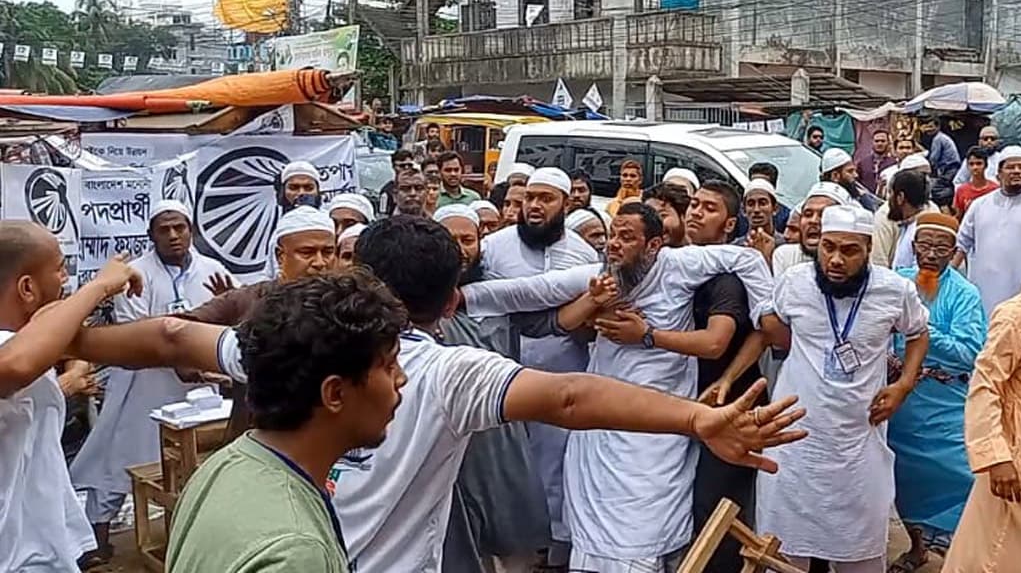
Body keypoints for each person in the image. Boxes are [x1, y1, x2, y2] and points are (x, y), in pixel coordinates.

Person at [64, 216, 805, 573]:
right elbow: (572, 397)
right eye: (387, 373)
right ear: (450, 302)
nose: (399, 383)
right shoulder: (444, 374)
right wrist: (699, 416)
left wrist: (56, 335)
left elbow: (169, 339)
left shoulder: (273, 358)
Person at [459, 203, 781, 573]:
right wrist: (462, 299)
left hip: (659, 424)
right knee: (593, 525)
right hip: (600, 424)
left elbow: (747, 260)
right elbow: (531, 291)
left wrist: (764, 310)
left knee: (644, 520)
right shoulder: (603, 277)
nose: (614, 244)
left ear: (654, 244)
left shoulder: (681, 264)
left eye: (627, 237)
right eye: (612, 234)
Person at [167, 273, 407, 573]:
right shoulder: (297, 552)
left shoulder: (223, 465)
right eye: (389, 365)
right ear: (334, 393)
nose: (401, 378)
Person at [756, 204, 930, 573]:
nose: (835, 259)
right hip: (795, 444)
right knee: (782, 551)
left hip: (858, 444)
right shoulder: (795, 282)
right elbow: (768, 319)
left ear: (868, 250)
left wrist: (903, 385)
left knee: (860, 551)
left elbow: (918, 333)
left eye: (849, 251)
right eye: (828, 247)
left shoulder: (893, 290)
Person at [71, 200, 236, 568]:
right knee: (117, 461)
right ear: (151, 235)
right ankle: (96, 542)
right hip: (141, 388)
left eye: (180, 227)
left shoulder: (213, 270)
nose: (174, 235)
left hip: (196, 395)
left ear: (191, 230)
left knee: (192, 467)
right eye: (165, 229)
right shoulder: (135, 275)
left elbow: (228, 324)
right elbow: (137, 335)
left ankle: (187, 541)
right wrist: (188, 360)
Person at [0, 221, 140, 573]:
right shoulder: (10, 349)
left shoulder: (27, 338)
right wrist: (100, 285)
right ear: (27, 287)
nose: (66, 280)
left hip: (36, 545)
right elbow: (16, 364)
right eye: (60, 269)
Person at [479, 167, 600, 565]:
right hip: (501, 377)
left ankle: (556, 553)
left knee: (557, 466)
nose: (534, 206)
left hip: (563, 374)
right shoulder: (493, 248)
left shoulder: (583, 255)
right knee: (510, 465)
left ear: (567, 204)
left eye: (546, 199)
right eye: (530, 197)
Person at [432, 205, 553, 573]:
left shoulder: (500, 292)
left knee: (512, 546)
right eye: (450, 240)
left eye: (468, 240)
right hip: (447, 434)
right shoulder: (421, 302)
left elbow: (552, 322)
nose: (460, 249)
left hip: (500, 435)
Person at [178, 205, 337, 442]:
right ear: (280, 256)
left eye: (328, 252)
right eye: (307, 252)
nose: (320, 262)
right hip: (255, 439)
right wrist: (214, 367)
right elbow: (180, 327)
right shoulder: (249, 299)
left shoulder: (344, 305)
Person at [886, 213, 986, 573]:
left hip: (943, 407)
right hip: (900, 405)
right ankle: (917, 549)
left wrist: (920, 329)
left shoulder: (964, 293)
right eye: (924, 246)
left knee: (961, 479)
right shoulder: (897, 283)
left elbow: (970, 351)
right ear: (912, 247)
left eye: (940, 248)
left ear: (953, 251)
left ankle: (963, 554)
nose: (930, 254)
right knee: (903, 482)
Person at [681, 183, 769, 573]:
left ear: (730, 223)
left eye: (709, 208)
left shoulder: (730, 275)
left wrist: (729, 380)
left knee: (717, 506)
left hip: (727, 406)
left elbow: (740, 337)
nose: (696, 212)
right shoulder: (678, 265)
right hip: (689, 401)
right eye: (694, 204)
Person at [941, 287, 1021, 573]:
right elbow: (985, 385)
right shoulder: (1016, 316)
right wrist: (994, 456)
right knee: (992, 557)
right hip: (1014, 464)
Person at [955, 145, 1021, 316]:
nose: (1016, 171)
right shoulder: (979, 205)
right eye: (1010, 167)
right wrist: (946, 276)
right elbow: (962, 243)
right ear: (999, 173)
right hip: (983, 288)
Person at [771, 182, 851, 276]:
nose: (813, 221)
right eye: (808, 214)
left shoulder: (853, 260)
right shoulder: (785, 255)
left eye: (823, 215)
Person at [264, 160, 326, 279]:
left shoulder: (331, 222)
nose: (301, 193)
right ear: (283, 192)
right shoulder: (279, 228)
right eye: (294, 188)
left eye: (308, 188)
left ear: (318, 192)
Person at [879, 170, 938, 270]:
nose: (888, 200)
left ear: (900, 197)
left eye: (890, 193)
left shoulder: (919, 232)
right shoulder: (907, 225)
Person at [734, 179, 785, 263]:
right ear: (743, 210)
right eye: (751, 204)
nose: (756, 209)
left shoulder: (785, 247)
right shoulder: (735, 248)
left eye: (763, 203)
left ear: (775, 208)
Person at [953, 146, 1000, 219]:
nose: (975, 167)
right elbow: (959, 216)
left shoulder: (995, 189)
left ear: (986, 165)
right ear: (967, 166)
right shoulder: (961, 190)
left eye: (979, 163)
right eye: (971, 164)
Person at [643, 182, 690, 247]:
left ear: (684, 216)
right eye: (648, 219)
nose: (655, 224)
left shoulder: (703, 254)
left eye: (662, 216)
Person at [919, 116, 962, 183]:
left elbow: (933, 159)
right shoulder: (941, 137)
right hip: (951, 167)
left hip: (949, 168)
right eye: (927, 127)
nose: (928, 129)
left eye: (931, 126)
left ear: (938, 127)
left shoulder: (938, 139)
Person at [856, 130, 897, 195]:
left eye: (883, 141)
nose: (879, 143)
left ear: (888, 143)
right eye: (877, 141)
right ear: (872, 142)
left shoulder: (894, 163)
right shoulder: (862, 163)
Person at [379, 149, 417, 216]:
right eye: (402, 166)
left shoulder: (419, 187)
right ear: (394, 167)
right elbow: (383, 217)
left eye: (410, 165)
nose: (406, 168)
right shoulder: (387, 191)